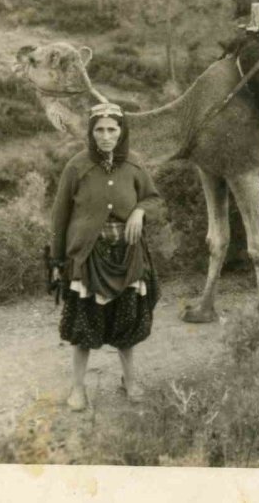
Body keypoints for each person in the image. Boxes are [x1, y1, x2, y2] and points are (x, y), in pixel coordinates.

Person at [50, 102, 164, 411]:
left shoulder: (135, 166)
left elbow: (153, 199)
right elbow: (60, 216)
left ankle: (130, 380)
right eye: (99, 129)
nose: (105, 136)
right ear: (91, 132)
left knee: (126, 325)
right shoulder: (77, 166)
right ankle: (77, 388)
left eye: (112, 129)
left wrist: (140, 211)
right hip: (88, 258)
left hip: (127, 257)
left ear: (121, 131)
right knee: (83, 328)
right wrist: (58, 262)